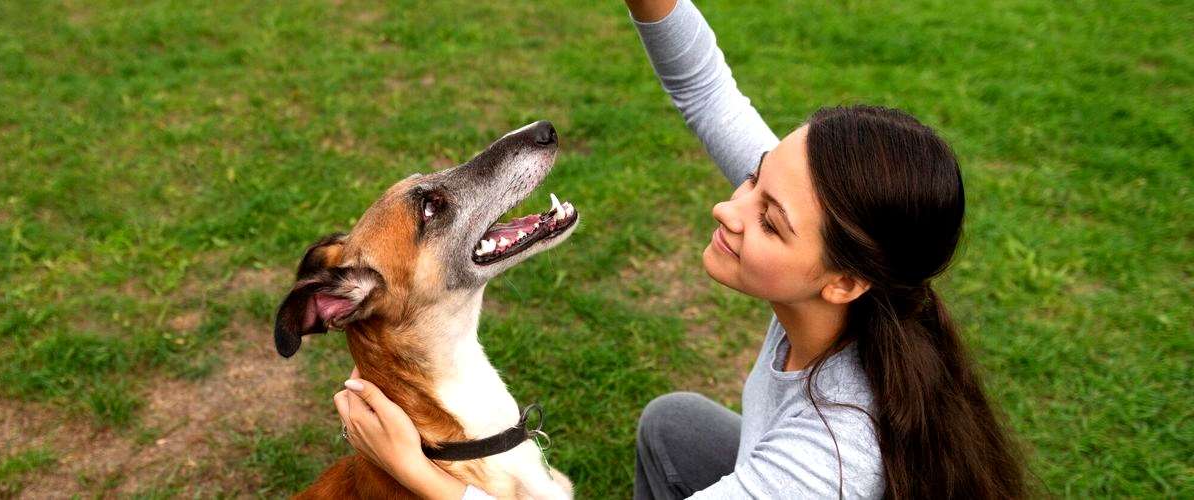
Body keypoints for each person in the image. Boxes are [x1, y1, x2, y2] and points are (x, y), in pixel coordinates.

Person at [334, 0, 1027, 498]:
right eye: (755, 178)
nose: (730, 207)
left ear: (844, 281)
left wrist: (427, 478)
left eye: (770, 221)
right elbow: (705, 90)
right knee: (676, 429)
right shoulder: (839, 269)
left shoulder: (831, 456)